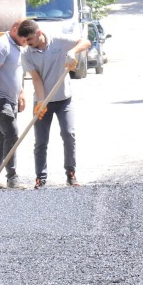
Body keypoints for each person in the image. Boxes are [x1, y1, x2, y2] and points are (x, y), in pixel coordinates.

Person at [23, 26, 92, 187]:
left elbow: (86, 42)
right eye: (25, 41)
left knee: (68, 134)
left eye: (30, 40)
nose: (27, 44)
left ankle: (71, 174)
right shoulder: (26, 54)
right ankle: (41, 177)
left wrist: (72, 52)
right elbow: (36, 79)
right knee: (40, 141)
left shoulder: (58, 40)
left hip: (63, 100)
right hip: (42, 102)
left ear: (39, 33)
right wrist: (41, 102)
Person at [0, 18, 39, 192]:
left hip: (9, 99)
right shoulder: (1, 46)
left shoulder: (16, 46)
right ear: (15, 29)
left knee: (3, 138)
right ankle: (12, 178)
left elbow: (15, 71)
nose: (26, 41)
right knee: (12, 135)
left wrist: (21, 92)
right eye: (24, 38)